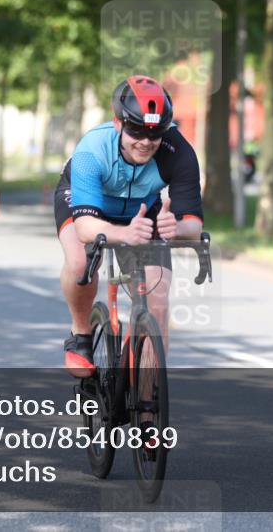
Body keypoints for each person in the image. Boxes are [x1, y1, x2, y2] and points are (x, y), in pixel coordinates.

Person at [54, 75, 204, 377]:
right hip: (87, 206)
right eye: (136, 130)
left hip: (142, 210)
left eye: (155, 133)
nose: (146, 142)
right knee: (80, 263)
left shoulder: (179, 152)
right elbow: (84, 228)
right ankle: (81, 335)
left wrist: (176, 229)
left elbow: (193, 226)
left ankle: (147, 398)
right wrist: (124, 234)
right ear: (118, 123)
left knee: (157, 298)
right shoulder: (91, 151)